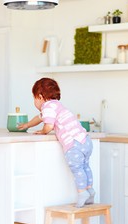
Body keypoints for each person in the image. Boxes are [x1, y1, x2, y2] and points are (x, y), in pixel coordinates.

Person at [18, 77, 95, 207]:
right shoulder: (57, 106)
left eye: (34, 98)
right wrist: (27, 125)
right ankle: (90, 190)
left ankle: (82, 193)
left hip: (74, 144)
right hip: (85, 140)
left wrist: (42, 132)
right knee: (85, 166)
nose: (34, 101)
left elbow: (48, 126)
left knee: (77, 169)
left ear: (40, 96)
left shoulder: (47, 106)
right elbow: (39, 118)